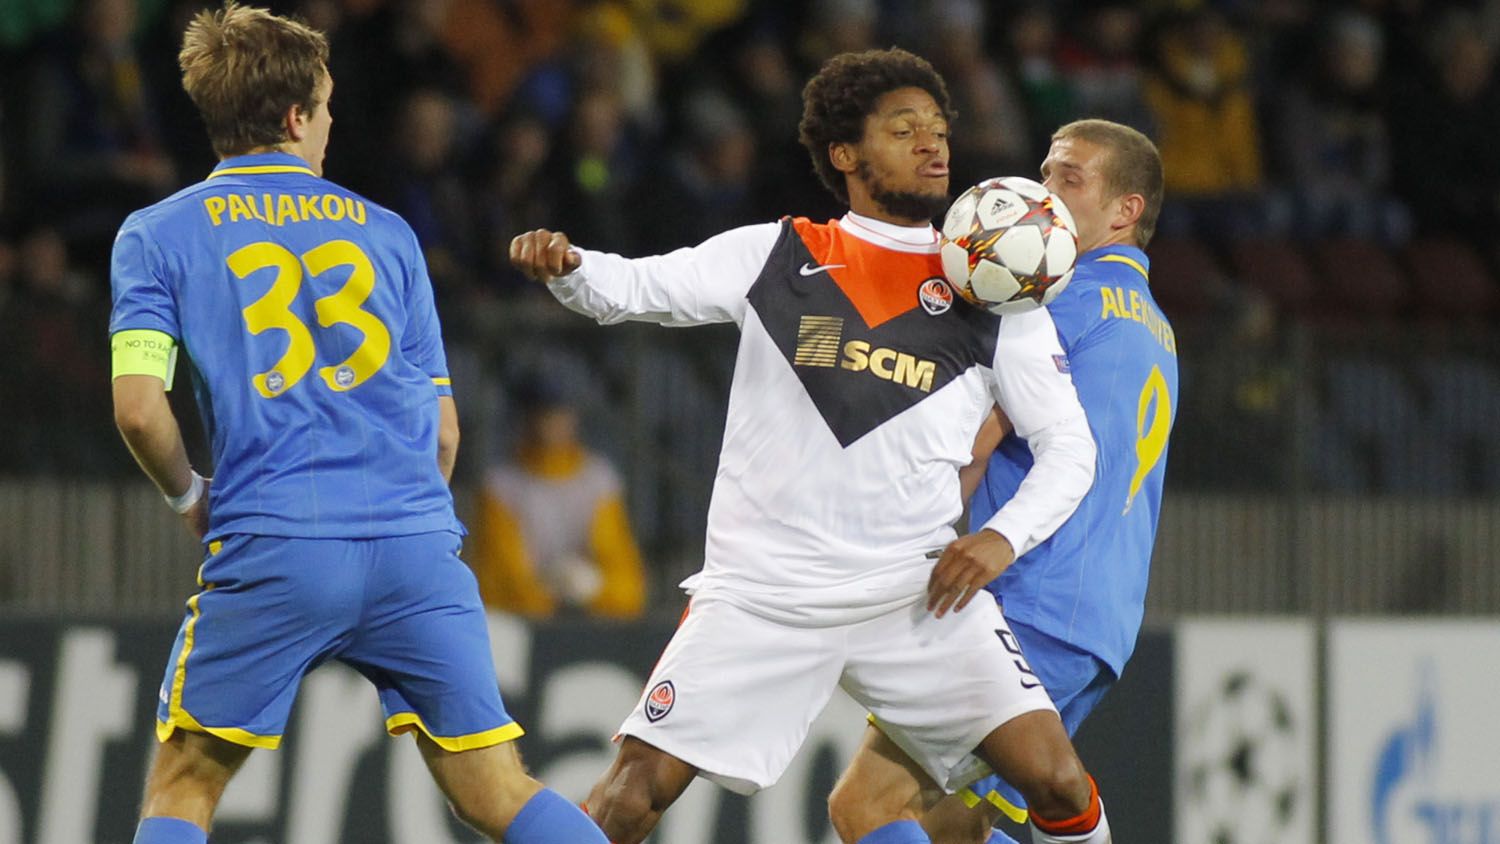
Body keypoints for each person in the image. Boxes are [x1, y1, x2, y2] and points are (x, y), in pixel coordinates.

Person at [511, 47, 1110, 844]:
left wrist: (1002, 537)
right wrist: (569, 266)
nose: (934, 146)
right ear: (846, 155)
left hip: (913, 593)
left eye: (938, 130)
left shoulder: (998, 290)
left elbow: (1070, 448)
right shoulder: (777, 253)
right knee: (630, 795)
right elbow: (636, 287)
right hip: (765, 593)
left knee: (1058, 779)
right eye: (905, 131)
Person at [107, 5, 608, 843]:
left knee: (185, 785)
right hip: (415, 545)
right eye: (329, 105)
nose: (332, 122)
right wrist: (399, 520)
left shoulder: (156, 236)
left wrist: (190, 494)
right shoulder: (390, 233)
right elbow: (443, 431)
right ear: (298, 116)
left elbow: (136, 407)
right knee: (496, 792)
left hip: (278, 536)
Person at [829, 118, 1176, 844]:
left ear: (1125, 211)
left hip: (1025, 596)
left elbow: (975, 443)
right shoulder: (1153, 323)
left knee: (868, 808)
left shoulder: (1056, 299)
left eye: (1069, 179)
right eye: (1045, 171)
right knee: (953, 829)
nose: (1043, 190)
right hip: (1098, 620)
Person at [467, 376, 648, 619]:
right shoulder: (503, 485)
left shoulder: (598, 480)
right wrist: (547, 592)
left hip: (592, 615)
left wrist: (593, 588)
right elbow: (500, 579)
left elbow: (627, 587)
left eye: (559, 414)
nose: (552, 424)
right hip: (519, 618)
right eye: (543, 415)